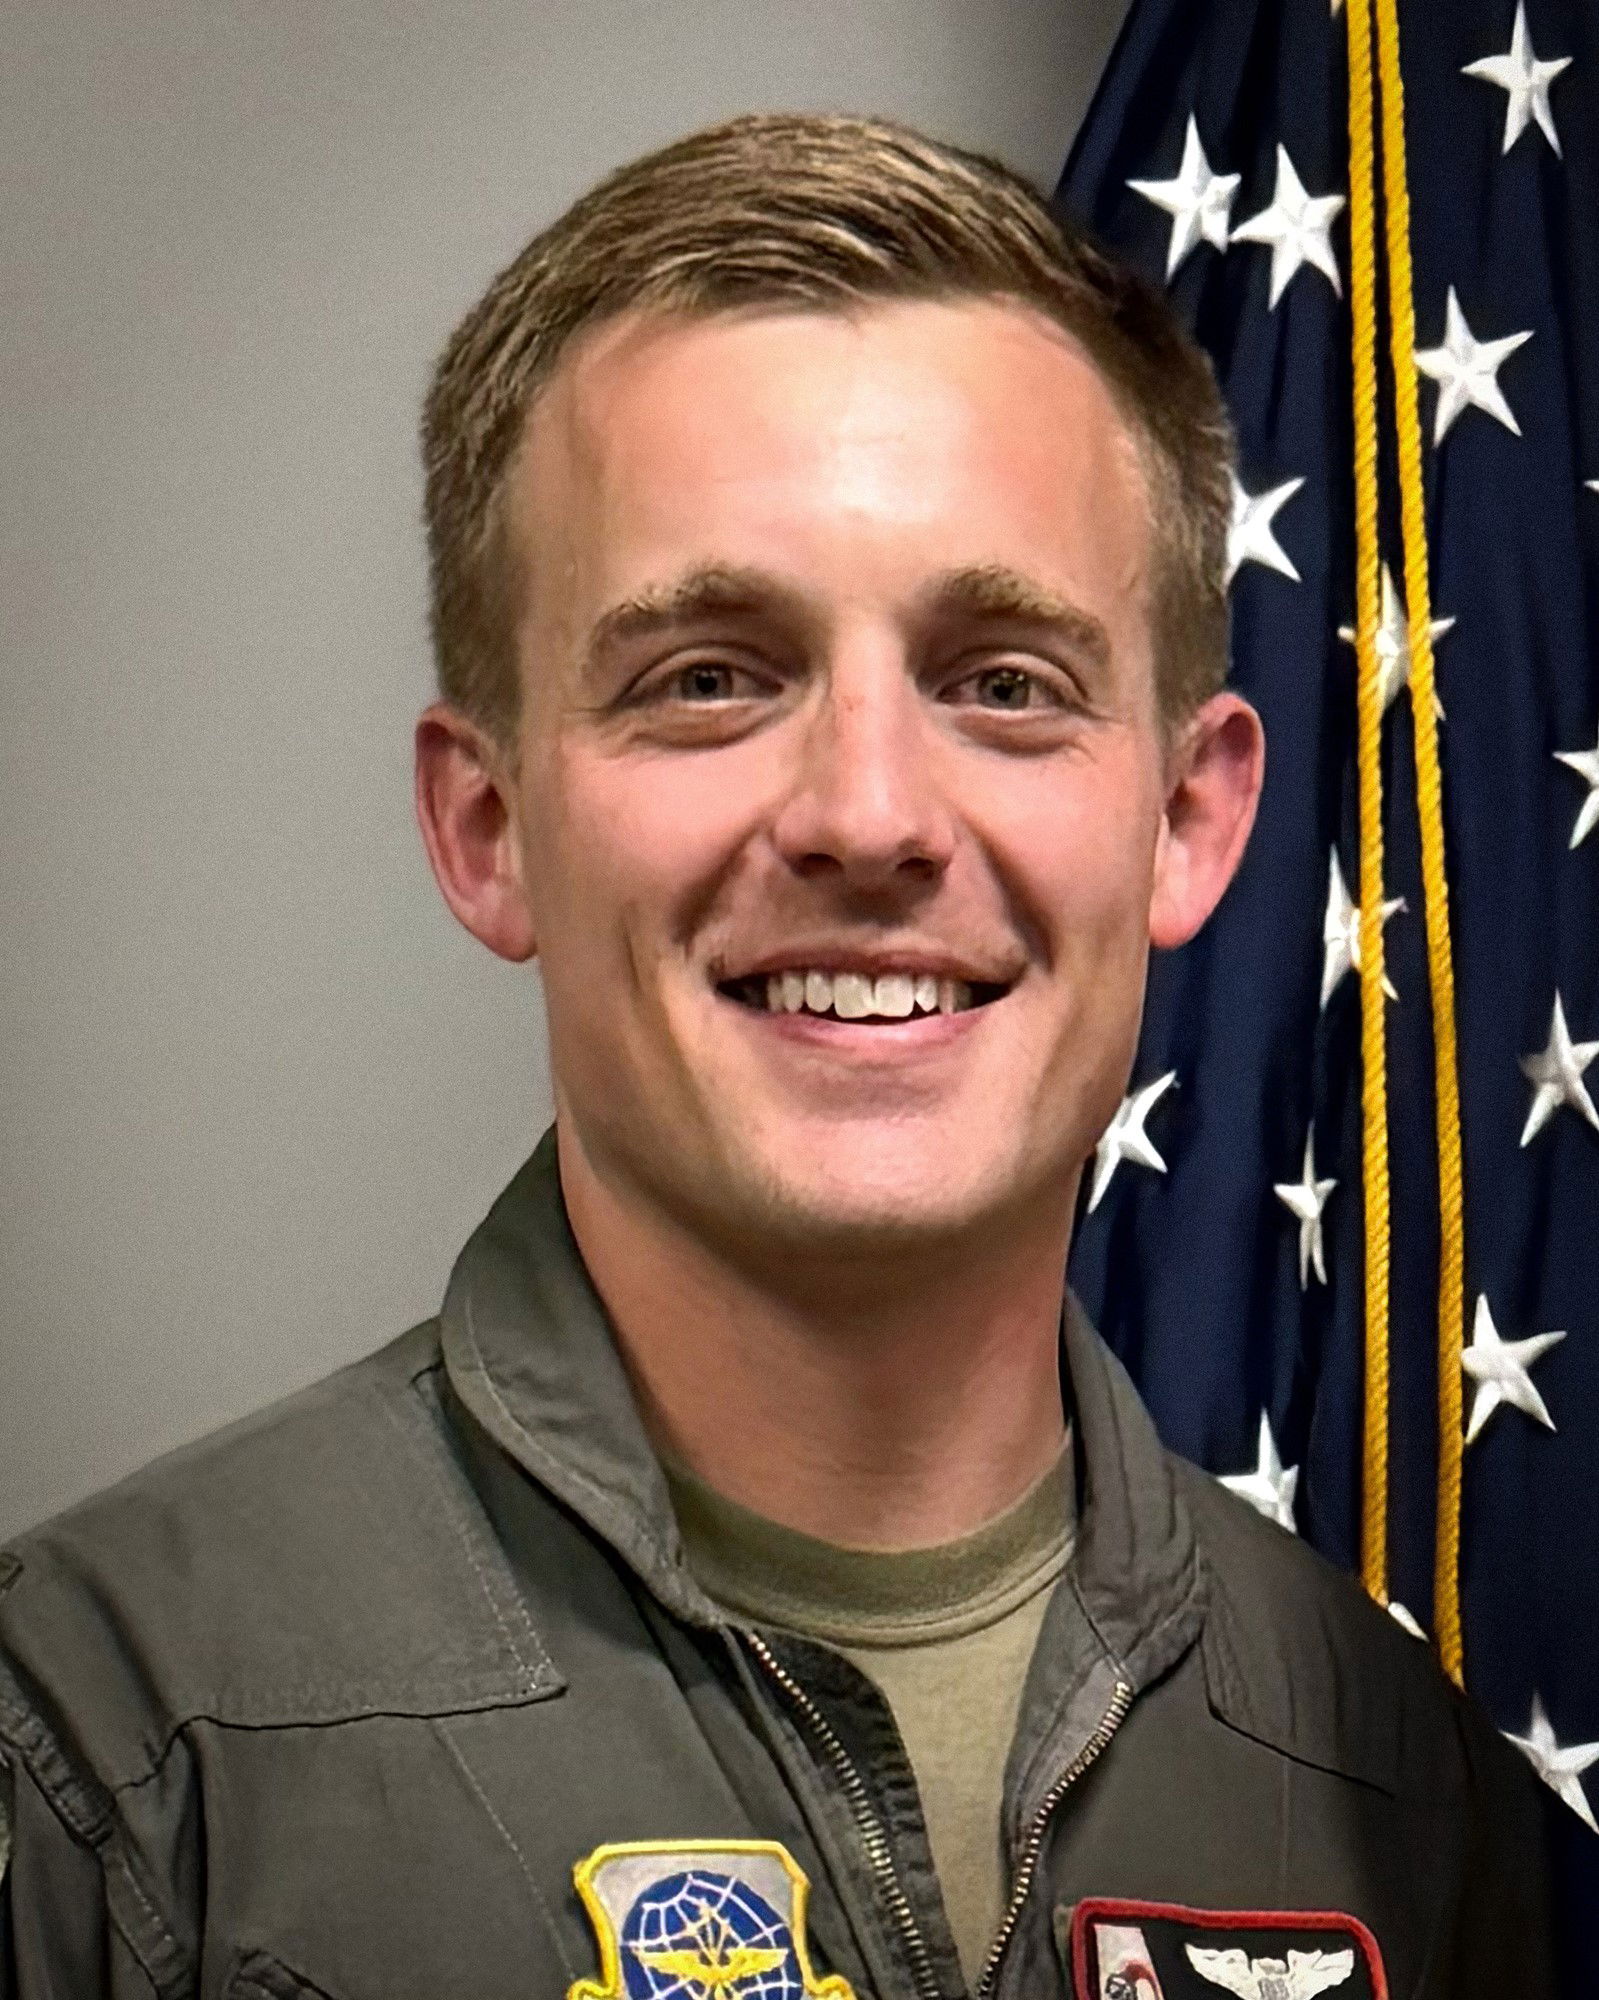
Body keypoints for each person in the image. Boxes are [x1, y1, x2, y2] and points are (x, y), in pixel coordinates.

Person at [0, 113, 1551, 2000]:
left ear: (1186, 819)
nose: (869, 816)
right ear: (490, 828)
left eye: (1004, 683)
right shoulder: (101, 1761)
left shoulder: (1412, 1804)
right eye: (711, 678)